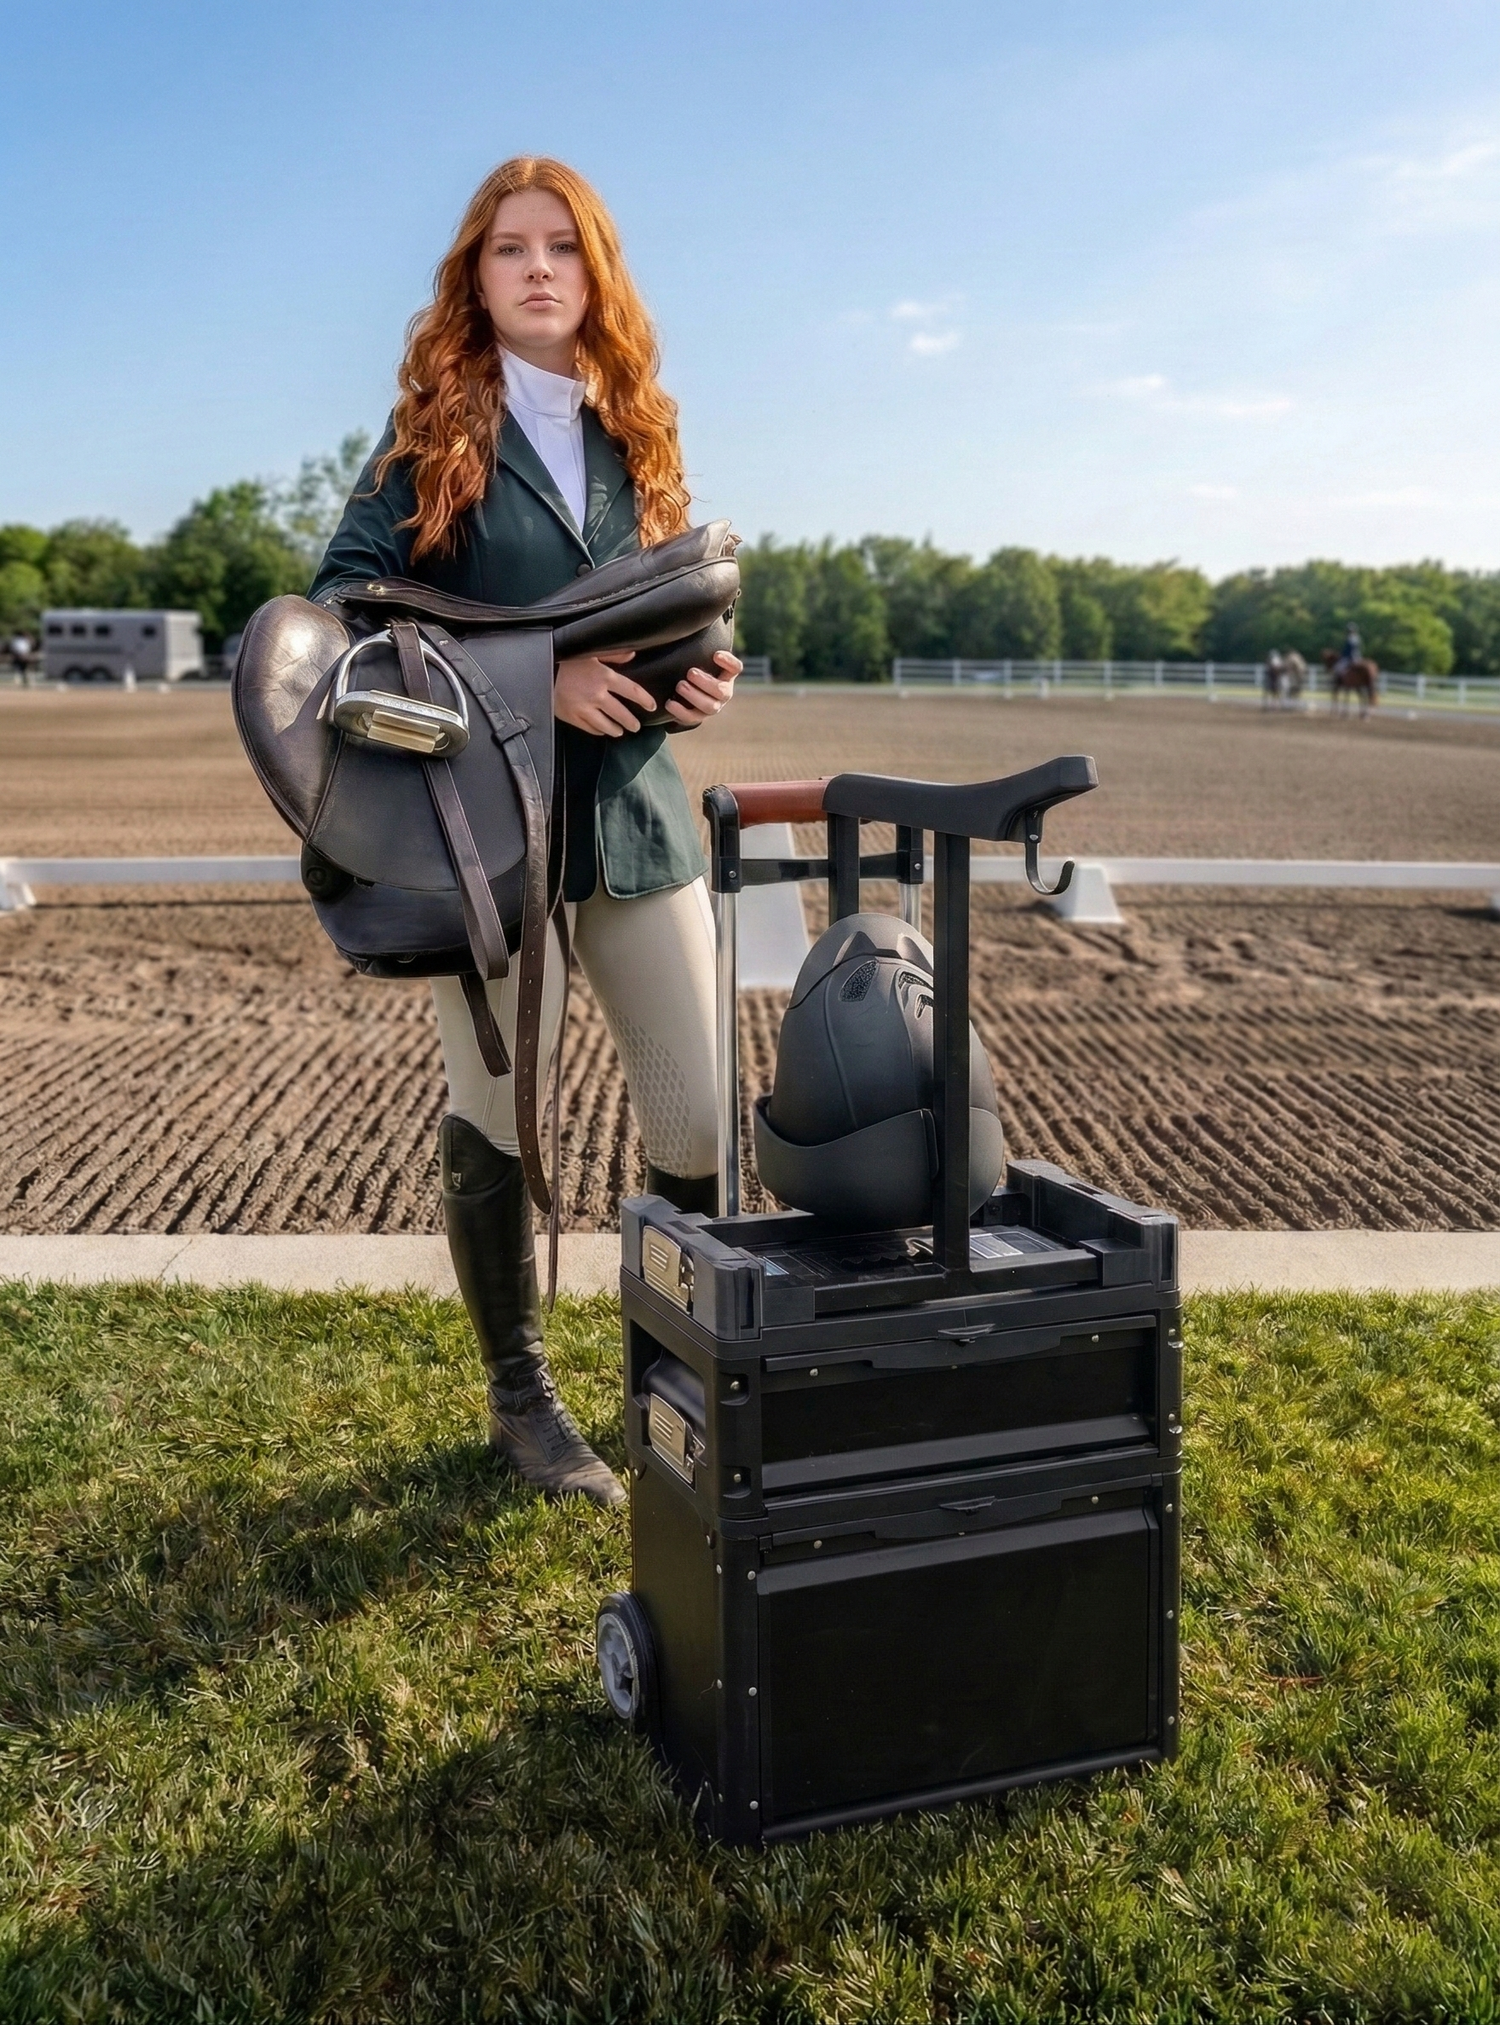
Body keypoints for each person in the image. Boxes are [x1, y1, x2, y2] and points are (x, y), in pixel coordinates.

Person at [311, 157, 740, 1507]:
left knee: (695, 1114)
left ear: (597, 275)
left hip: (634, 818)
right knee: (497, 1113)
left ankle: (672, 1381)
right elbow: (341, 628)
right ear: (475, 278)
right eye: (511, 250)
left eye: (565, 247)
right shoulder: (425, 446)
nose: (539, 268)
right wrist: (530, 684)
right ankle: (525, 1405)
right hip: (479, 832)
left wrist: (700, 677)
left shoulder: (640, 438)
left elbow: (657, 608)